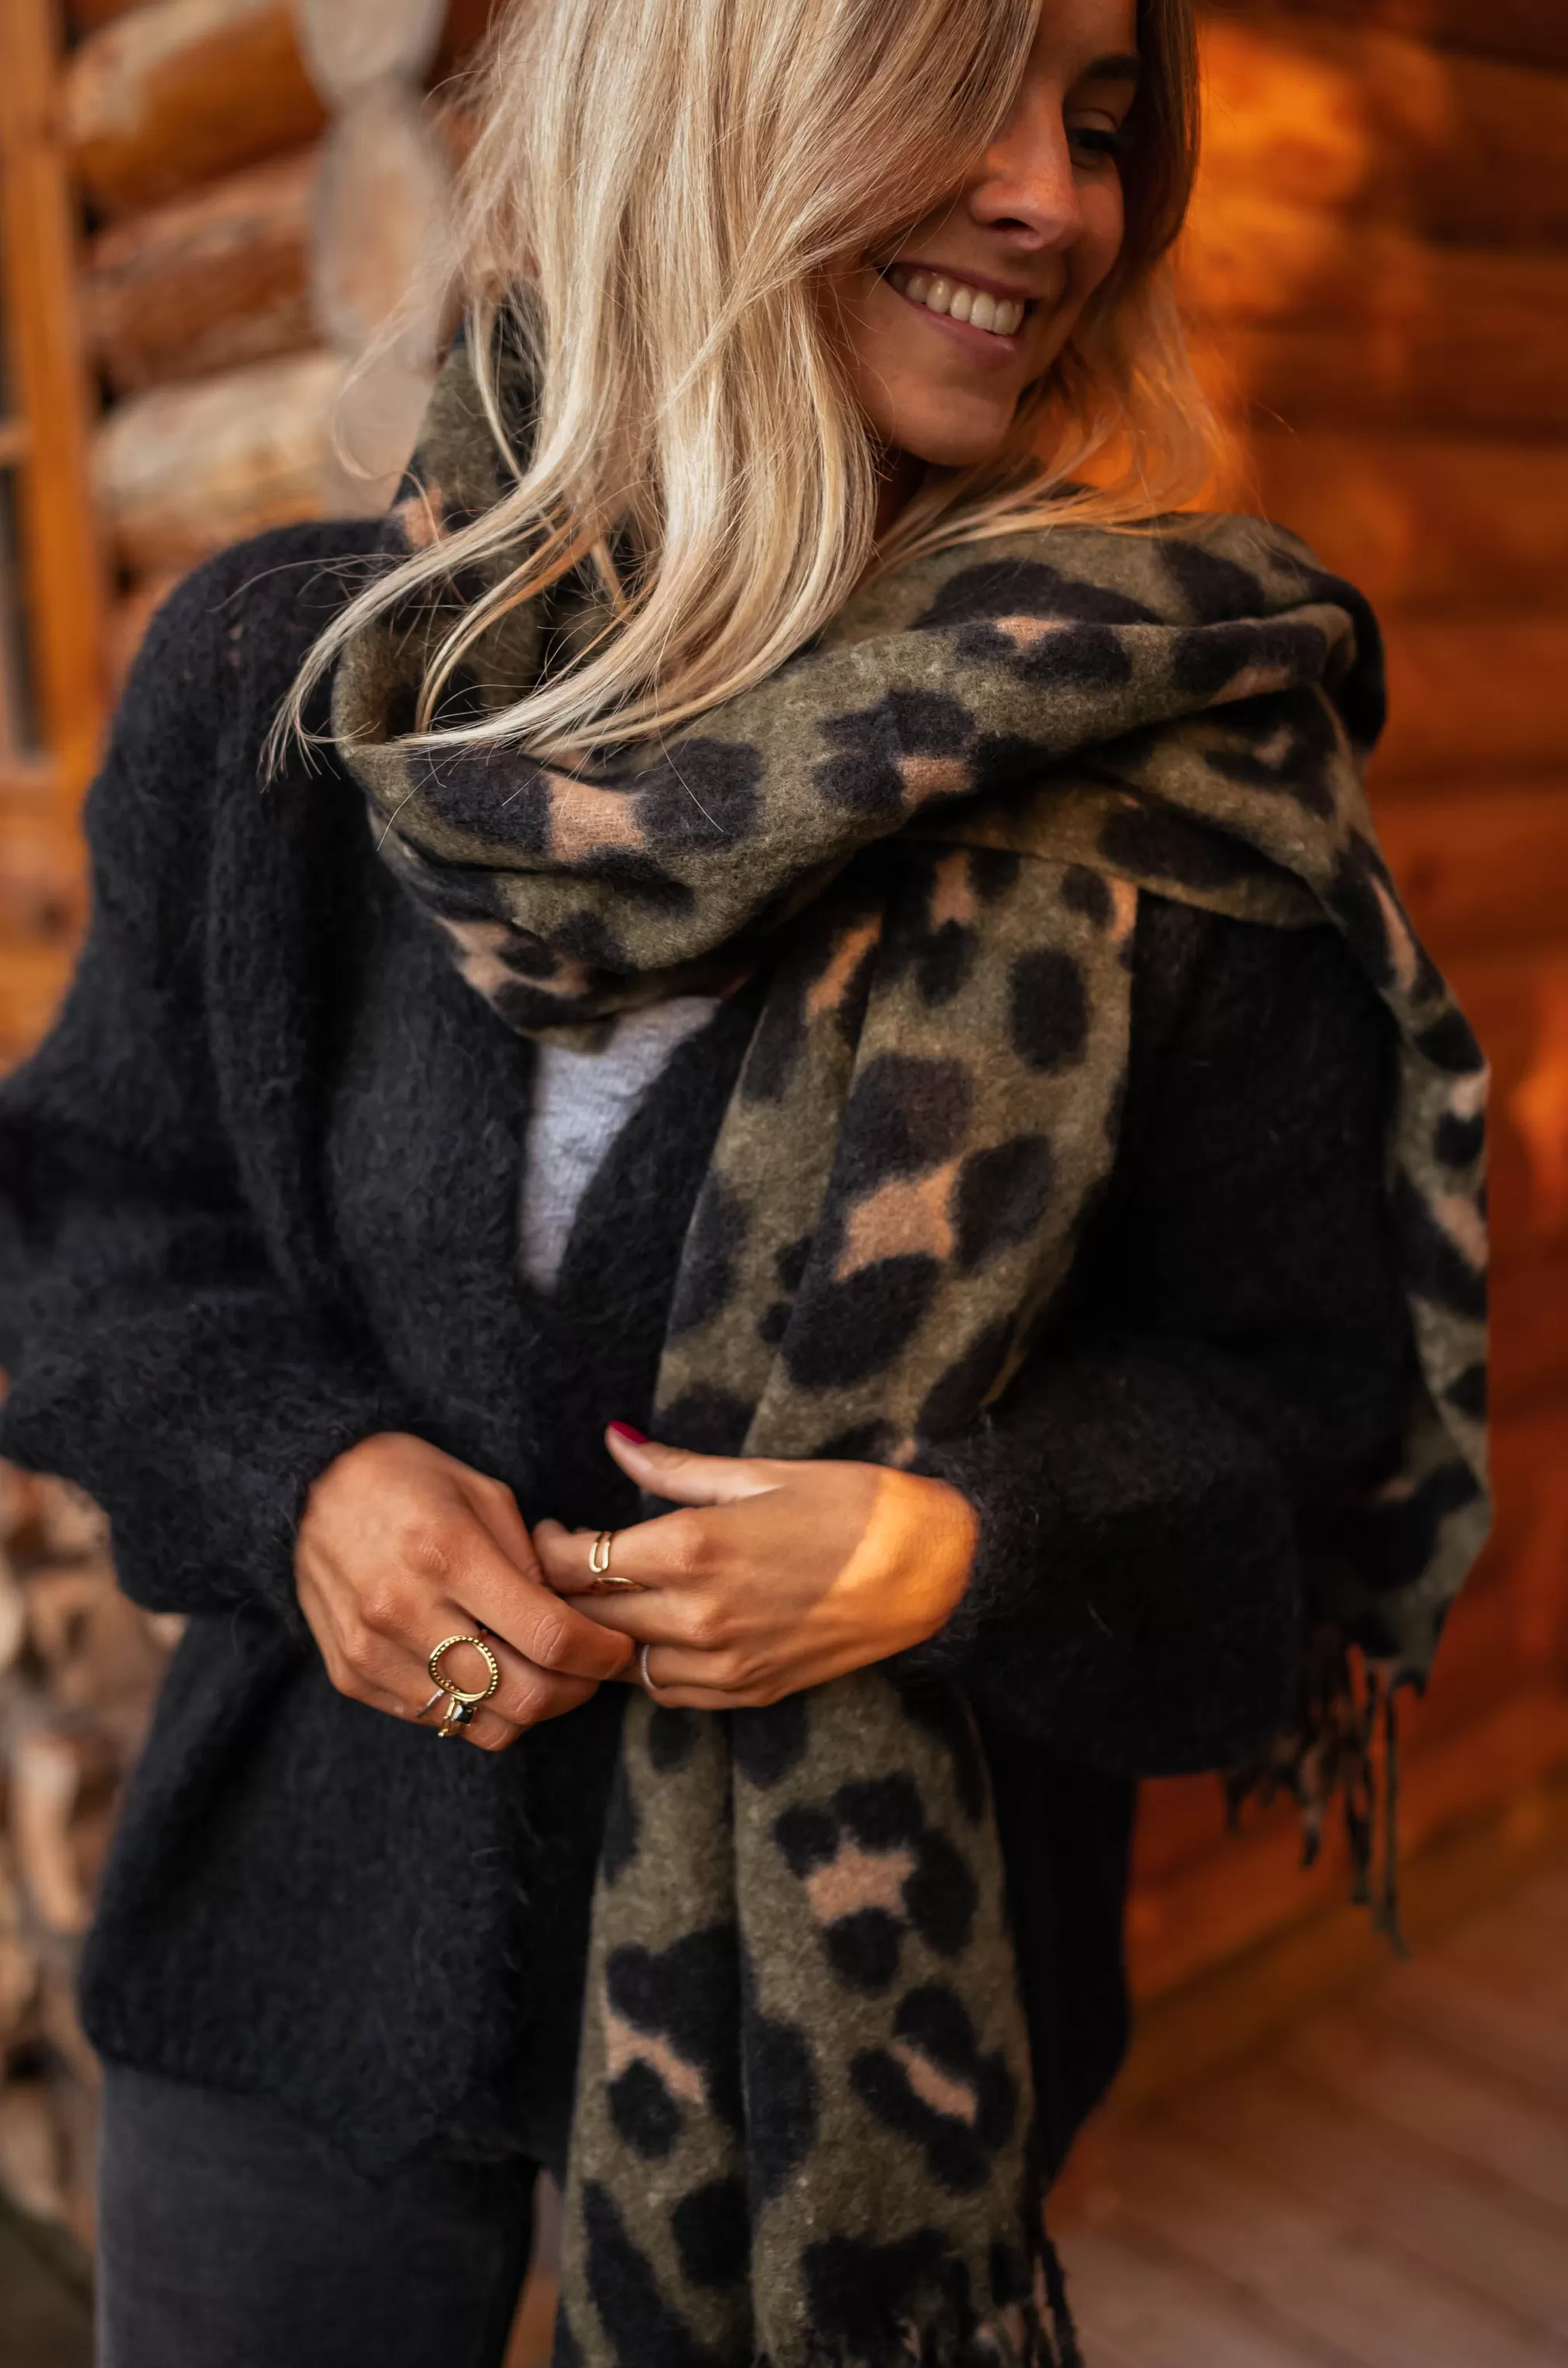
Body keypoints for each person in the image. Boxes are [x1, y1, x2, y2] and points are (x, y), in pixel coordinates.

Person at [0, 0, 1489, 2360]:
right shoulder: (296, 687)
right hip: (304, 1944)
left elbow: (1298, 1404)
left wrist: (968, 1542)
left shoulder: (1171, 764)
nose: (1055, 195)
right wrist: (308, 1483)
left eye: (1105, 126)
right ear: (712, 93)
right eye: (961, 92)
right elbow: (82, 1211)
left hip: (868, 2047)